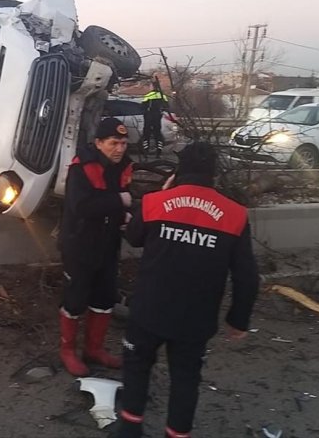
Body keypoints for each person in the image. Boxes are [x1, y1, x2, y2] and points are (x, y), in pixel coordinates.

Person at [112, 142, 260, 438]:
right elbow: (247, 275)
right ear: (213, 175)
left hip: (149, 311)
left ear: (179, 171)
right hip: (196, 319)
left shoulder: (156, 202)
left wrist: (166, 194)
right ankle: (177, 434)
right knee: (186, 378)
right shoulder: (235, 215)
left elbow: (134, 237)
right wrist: (238, 320)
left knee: (137, 367)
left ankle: (130, 427)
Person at [58, 117, 135, 376]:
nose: (120, 149)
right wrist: (118, 201)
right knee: (75, 298)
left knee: (104, 297)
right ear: (99, 143)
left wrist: (126, 216)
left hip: (108, 243)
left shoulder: (123, 166)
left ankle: (94, 349)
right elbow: (81, 207)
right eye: (114, 143)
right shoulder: (81, 168)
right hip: (80, 245)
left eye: (124, 143)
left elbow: (123, 202)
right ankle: (68, 351)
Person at [141, 78, 169, 158]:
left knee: (146, 134)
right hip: (158, 116)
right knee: (158, 134)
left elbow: (142, 106)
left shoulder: (149, 95)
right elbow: (166, 106)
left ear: (153, 86)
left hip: (149, 116)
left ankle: (145, 152)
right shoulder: (163, 96)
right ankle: (159, 152)